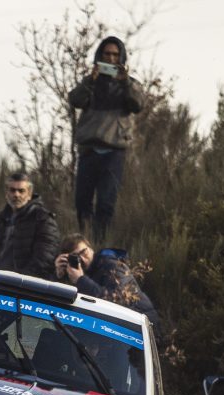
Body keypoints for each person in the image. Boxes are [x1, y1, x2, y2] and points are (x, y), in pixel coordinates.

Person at [68, 36, 145, 243]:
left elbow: (138, 104)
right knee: (82, 202)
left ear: (121, 57)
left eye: (115, 55)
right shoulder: (90, 82)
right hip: (89, 150)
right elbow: (75, 100)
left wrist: (125, 82)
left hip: (114, 151)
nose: (111, 59)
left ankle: (101, 246)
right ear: (99, 56)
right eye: (107, 54)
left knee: (106, 204)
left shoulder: (130, 84)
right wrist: (90, 82)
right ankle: (84, 245)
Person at [54, 234, 159, 327]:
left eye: (84, 252)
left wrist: (81, 280)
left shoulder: (112, 265)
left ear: (90, 248)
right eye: (76, 257)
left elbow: (116, 300)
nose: (83, 259)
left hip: (143, 325)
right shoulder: (75, 274)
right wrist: (59, 276)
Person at [0, 171, 60, 279]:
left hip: (24, 284)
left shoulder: (43, 219)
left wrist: (21, 280)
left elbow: (44, 259)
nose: (16, 195)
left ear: (29, 194)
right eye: (12, 190)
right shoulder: (2, 219)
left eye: (21, 191)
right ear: (7, 193)